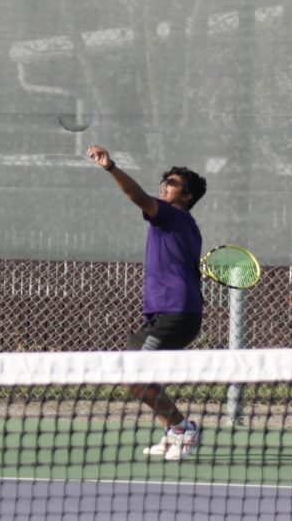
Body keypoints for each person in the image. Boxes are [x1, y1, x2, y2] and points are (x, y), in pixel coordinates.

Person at [86, 144, 207, 461]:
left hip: (176, 313)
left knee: (134, 376)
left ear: (187, 196)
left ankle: (182, 429)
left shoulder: (172, 215)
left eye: (173, 183)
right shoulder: (182, 224)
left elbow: (137, 197)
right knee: (139, 373)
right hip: (167, 314)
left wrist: (110, 167)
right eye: (165, 179)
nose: (165, 184)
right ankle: (175, 429)